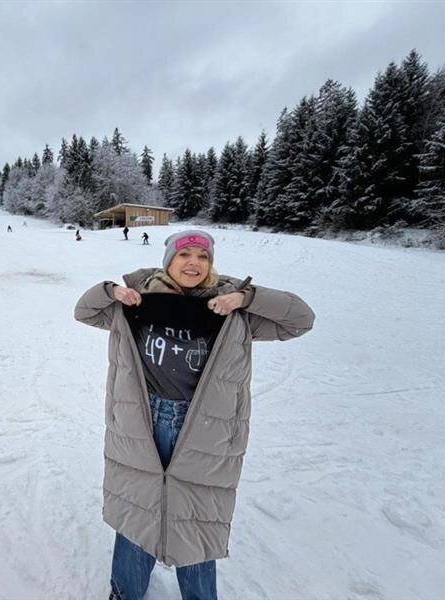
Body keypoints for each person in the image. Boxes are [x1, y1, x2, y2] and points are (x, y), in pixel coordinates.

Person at [74, 230, 315, 600]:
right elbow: (85, 311)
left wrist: (245, 298)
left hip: (205, 428)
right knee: (139, 508)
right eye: (185, 255)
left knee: (196, 516)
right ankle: (124, 592)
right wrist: (111, 291)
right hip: (143, 421)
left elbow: (300, 319)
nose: (194, 263)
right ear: (169, 259)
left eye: (203, 257)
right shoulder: (139, 301)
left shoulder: (232, 309)